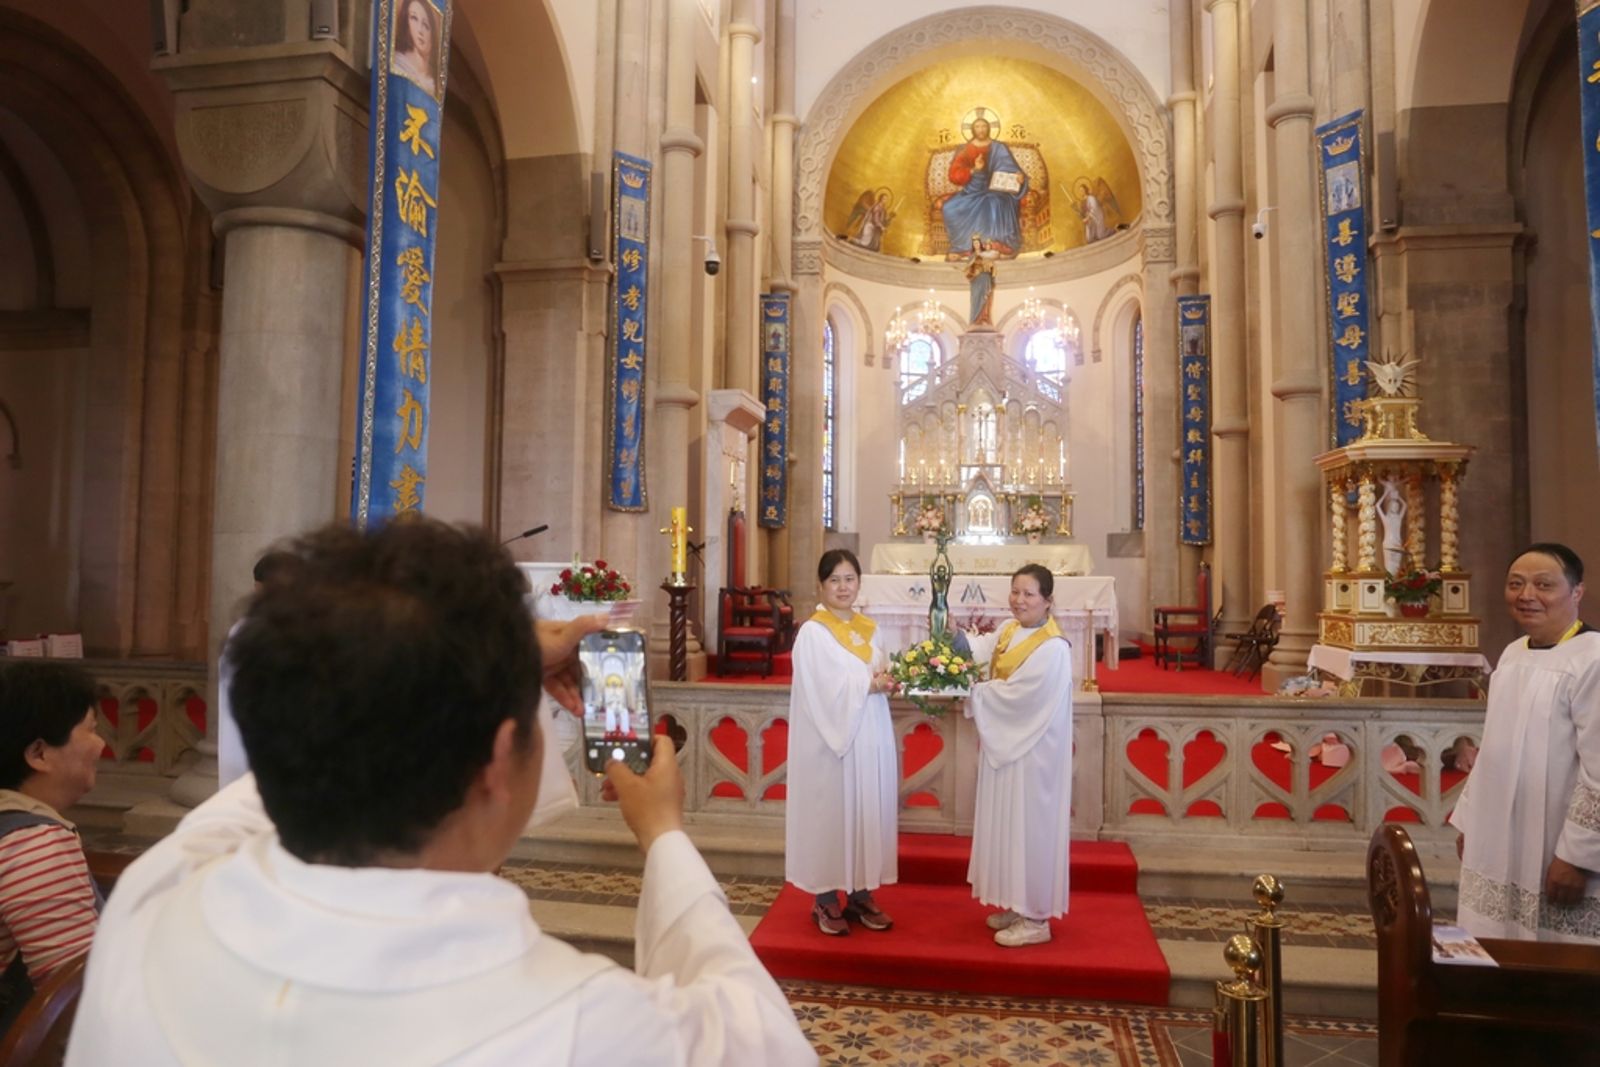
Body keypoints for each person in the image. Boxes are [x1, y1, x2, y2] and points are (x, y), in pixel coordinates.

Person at [65, 519, 817, 1065]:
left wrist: (468, 667)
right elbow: (764, 1038)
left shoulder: (148, 903)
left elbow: (308, 740)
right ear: (497, 758)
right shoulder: (582, 1028)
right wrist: (665, 836)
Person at [1450, 542, 1599, 943]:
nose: (1526, 595)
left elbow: (1598, 771)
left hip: (1558, 843)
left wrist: (1577, 856)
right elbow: (1494, 747)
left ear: (1577, 592)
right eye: (1516, 584)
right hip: (1500, 837)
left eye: (1543, 585)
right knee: (1497, 940)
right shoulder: (1514, 654)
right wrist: (1472, 821)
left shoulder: (1592, 660)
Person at [785, 549, 899, 936]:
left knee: (864, 809)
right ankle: (825, 899)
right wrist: (868, 683)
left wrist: (889, 677)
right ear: (821, 586)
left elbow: (878, 670)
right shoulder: (813, 633)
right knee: (832, 814)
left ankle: (861, 893)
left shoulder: (870, 628)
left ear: (859, 583)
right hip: (829, 743)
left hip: (868, 732)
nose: (843, 587)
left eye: (849, 578)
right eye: (835, 580)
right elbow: (821, 688)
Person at [958, 563, 1073, 947]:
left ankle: (1037, 917)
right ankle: (1016, 902)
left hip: (1035, 756)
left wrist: (975, 692)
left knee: (1031, 830)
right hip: (1009, 749)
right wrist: (951, 643)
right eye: (1015, 592)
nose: (1020, 600)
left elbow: (1021, 697)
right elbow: (981, 651)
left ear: (1048, 601)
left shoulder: (1053, 648)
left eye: (1029, 594)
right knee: (1009, 827)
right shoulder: (1010, 630)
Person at [0, 662, 105, 1034]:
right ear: (40, 754)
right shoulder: (33, 843)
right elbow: (77, 1000)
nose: (102, 744)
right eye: (91, 730)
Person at [941, 113, 1027, 258]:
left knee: (994, 202)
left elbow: (1012, 170)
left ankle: (996, 245)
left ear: (989, 128)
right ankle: (965, 248)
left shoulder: (999, 148)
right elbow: (954, 174)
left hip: (998, 190)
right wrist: (974, 170)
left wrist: (1019, 178)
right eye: (977, 126)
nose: (981, 129)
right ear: (972, 129)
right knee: (949, 208)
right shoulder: (965, 149)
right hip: (972, 190)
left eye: (984, 126)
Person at [390, 0, 441, 98]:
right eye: (414, 18)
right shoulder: (398, 63)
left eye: (425, 25)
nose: (420, 30)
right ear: (407, 22)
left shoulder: (432, 82)